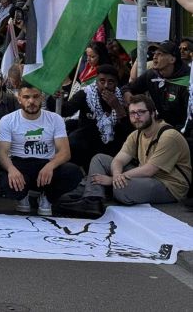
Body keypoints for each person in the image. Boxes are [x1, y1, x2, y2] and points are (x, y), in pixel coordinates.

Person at [58, 94, 192, 217]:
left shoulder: (169, 136)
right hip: (145, 178)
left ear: (153, 113)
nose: (136, 116)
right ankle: (92, 200)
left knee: (121, 190)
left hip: (169, 185)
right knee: (100, 159)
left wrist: (112, 181)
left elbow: (150, 169)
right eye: (132, 113)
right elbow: (119, 159)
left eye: (141, 112)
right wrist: (116, 175)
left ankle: (91, 189)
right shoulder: (137, 134)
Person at [0, 83, 83, 216]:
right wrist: (11, 170)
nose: (31, 101)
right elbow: (2, 152)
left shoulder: (55, 119)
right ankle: (22, 196)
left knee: (73, 172)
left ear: (42, 98)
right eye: (26, 97)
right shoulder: (7, 120)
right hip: (20, 164)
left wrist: (51, 165)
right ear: (19, 98)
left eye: (35, 96)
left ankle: (47, 197)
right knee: (5, 180)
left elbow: (65, 152)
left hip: (46, 165)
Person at [62, 64, 131, 169]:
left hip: (111, 146)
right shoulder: (86, 94)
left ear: (116, 83)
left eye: (110, 82)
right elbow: (65, 111)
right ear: (96, 81)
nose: (106, 86)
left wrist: (117, 107)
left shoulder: (121, 97)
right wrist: (57, 98)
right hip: (86, 143)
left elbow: (129, 130)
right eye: (102, 81)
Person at [126, 41, 190, 129]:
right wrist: (128, 95)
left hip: (182, 132)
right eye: (154, 53)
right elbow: (128, 88)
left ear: (172, 59)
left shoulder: (188, 81)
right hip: (159, 127)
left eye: (160, 54)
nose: (155, 57)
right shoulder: (152, 74)